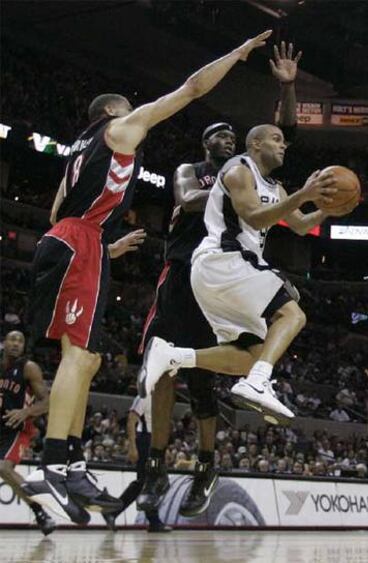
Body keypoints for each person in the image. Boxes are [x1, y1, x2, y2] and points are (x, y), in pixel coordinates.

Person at [21, 29, 274, 523]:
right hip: (80, 243)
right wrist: (237, 55)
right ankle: (55, 459)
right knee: (78, 357)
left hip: (76, 240)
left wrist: (99, 245)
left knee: (89, 359)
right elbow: (191, 89)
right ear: (116, 112)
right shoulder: (120, 131)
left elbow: (57, 211)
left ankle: (72, 458)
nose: (139, 115)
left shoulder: (78, 148)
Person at [138, 41, 301, 517]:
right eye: (219, 134)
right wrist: (228, 184)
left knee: (207, 378)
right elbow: (187, 197)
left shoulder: (250, 171)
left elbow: (284, 132)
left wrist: (286, 87)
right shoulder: (199, 171)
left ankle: (206, 465)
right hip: (187, 269)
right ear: (206, 144)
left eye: (234, 135)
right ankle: (156, 465)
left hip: (226, 276)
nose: (227, 138)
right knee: (162, 373)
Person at [0, 331, 55, 535]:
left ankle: (40, 512)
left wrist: (26, 412)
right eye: (12, 339)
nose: (15, 344)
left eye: (20, 341)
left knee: (4, 468)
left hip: (18, 429)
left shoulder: (28, 368)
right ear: (4, 343)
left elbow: (48, 401)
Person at [103, 393, 171, 533]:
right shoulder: (144, 396)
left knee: (155, 482)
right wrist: (132, 447)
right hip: (145, 440)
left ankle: (152, 521)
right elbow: (131, 420)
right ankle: (114, 511)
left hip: (156, 440)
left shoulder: (163, 396)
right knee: (144, 482)